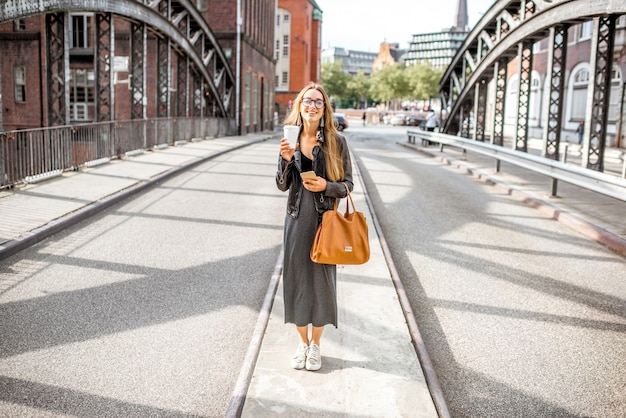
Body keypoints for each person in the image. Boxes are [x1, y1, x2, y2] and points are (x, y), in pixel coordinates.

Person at [276, 83, 353, 372]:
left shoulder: (336, 142)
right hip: (296, 219)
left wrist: (327, 186)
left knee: (322, 283)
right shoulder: (289, 139)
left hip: (325, 223)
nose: (312, 106)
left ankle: (316, 345)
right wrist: (286, 160)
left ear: (324, 109)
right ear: (299, 105)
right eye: (307, 101)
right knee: (295, 280)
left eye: (318, 102)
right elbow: (282, 185)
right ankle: (302, 343)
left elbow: (348, 185)